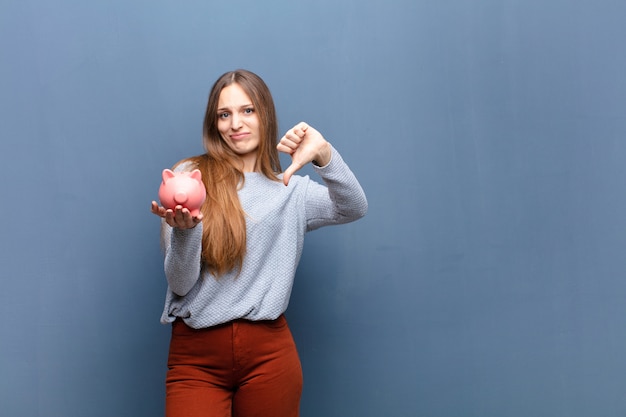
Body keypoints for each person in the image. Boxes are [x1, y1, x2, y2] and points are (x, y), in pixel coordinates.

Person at [150, 69, 368, 417]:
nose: (236, 123)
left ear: (265, 114)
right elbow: (180, 284)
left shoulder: (292, 192)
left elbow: (354, 206)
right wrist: (185, 232)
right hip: (197, 357)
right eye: (225, 114)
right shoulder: (192, 177)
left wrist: (323, 153)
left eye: (247, 110)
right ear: (215, 123)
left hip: (270, 355)